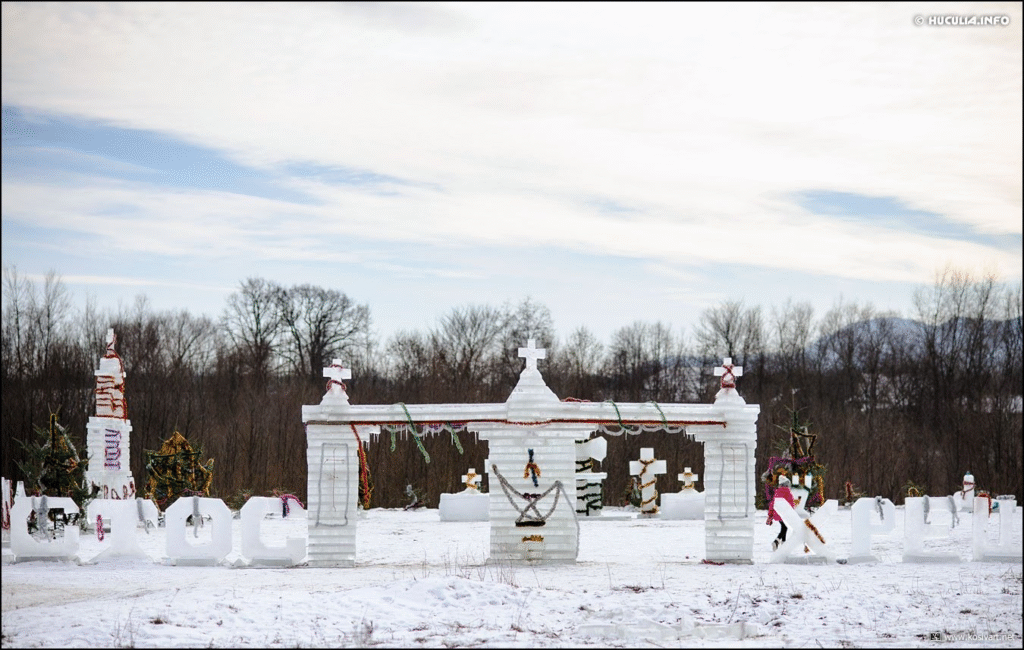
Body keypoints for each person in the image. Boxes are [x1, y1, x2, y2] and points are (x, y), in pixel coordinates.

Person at [768, 474, 796, 551]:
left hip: (777, 513)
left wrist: (770, 515)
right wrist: (792, 512)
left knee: (784, 527)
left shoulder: (777, 492)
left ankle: (783, 543)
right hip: (785, 513)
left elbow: (772, 504)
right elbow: (791, 504)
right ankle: (776, 541)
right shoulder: (788, 492)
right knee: (784, 528)